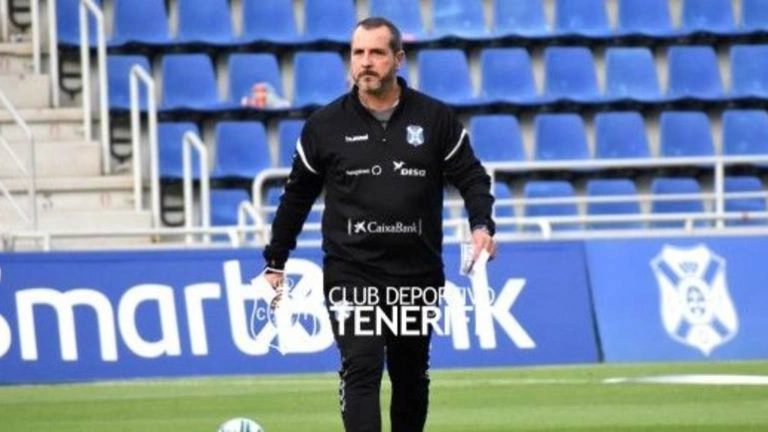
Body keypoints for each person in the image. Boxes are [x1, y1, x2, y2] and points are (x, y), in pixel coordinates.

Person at [262, 17, 497, 432]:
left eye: (376, 52)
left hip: (417, 272)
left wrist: (482, 225)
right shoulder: (324, 126)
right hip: (352, 271)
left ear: (398, 59)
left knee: (411, 375)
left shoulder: (435, 118)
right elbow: (296, 197)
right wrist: (275, 260)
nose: (366, 62)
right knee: (362, 366)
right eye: (358, 53)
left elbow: (472, 178)